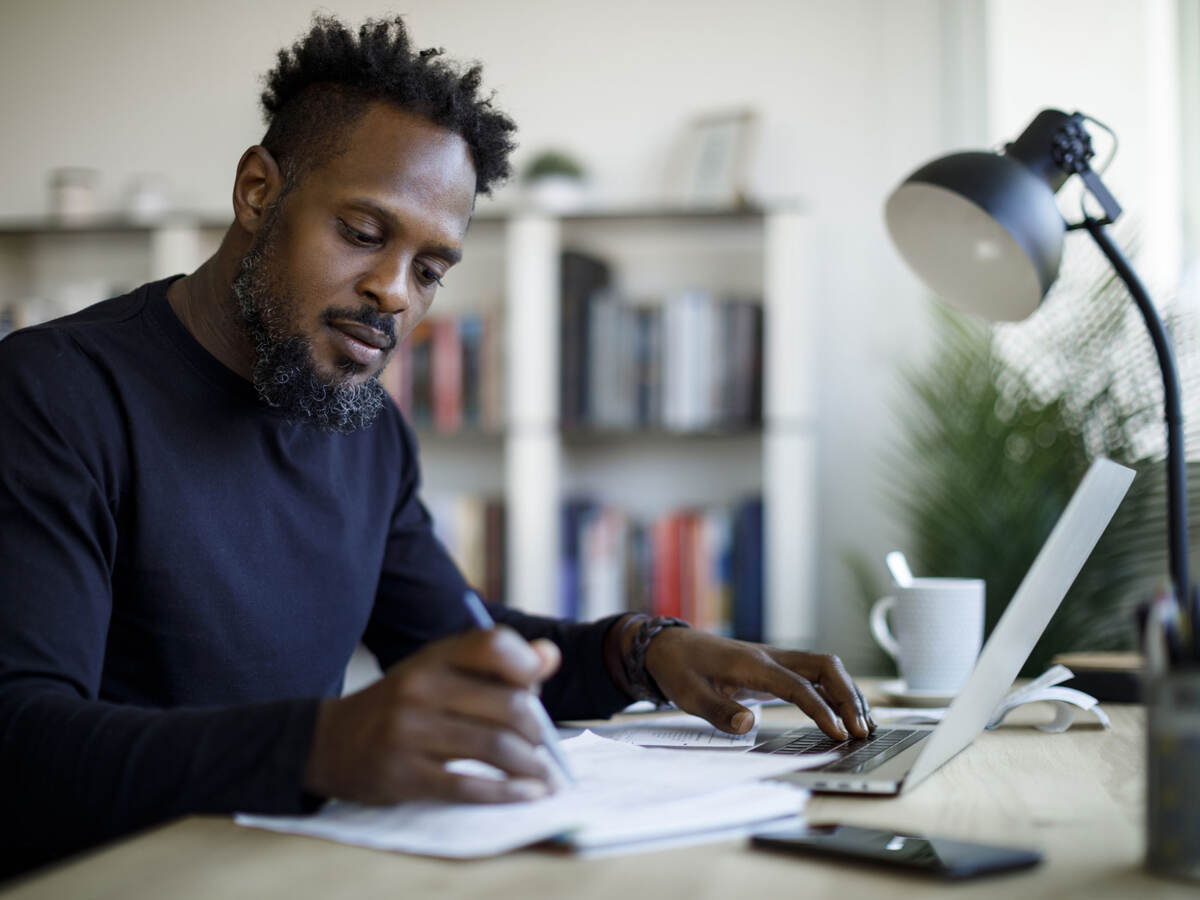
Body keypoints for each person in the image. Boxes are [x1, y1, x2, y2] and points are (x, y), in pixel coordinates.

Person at [0, 14, 874, 879]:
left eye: (429, 270)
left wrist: (645, 651)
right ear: (258, 191)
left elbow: (458, 644)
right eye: (363, 233)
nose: (391, 294)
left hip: (286, 869)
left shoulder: (368, 431)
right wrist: (322, 743)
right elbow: (21, 741)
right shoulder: (53, 395)